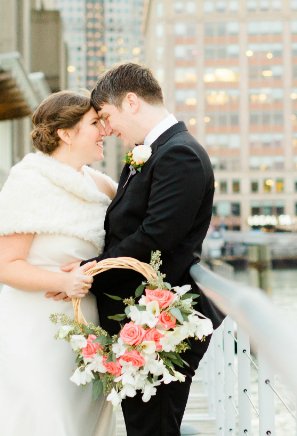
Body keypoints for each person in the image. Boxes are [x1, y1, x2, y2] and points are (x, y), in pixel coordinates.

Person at [51, 62, 224, 436]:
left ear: (131, 102)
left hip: (160, 326)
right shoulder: (154, 151)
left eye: (107, 116)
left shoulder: (180, 154)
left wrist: (88, 271)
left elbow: (153, 240)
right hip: (140, 317)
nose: (107, 129)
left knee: (153, 430)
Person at [0, 90, 117, 436]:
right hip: (34, 327)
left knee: (82, 420)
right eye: (94, 123)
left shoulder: (101, 185)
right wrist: (64, 282)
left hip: (87, 326)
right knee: (43, 417)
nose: (105, 131)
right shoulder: (28, 181)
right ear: (65, 134)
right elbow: (6, 266)